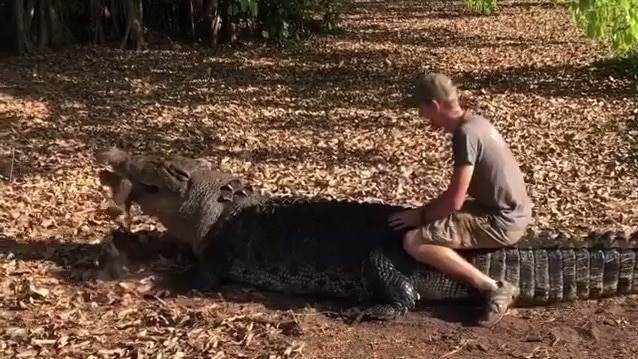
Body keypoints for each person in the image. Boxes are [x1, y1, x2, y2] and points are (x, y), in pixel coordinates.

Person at [388, 72, 533, 327]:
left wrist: (419, 216)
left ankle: (492, 288)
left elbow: (455, 200)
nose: (423, 118)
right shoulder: (477, 122)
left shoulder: (465, 135)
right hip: (509, 210)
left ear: (434, 106)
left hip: (503, 220)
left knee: (413, 241)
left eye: (422, 110)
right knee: (426, 222)